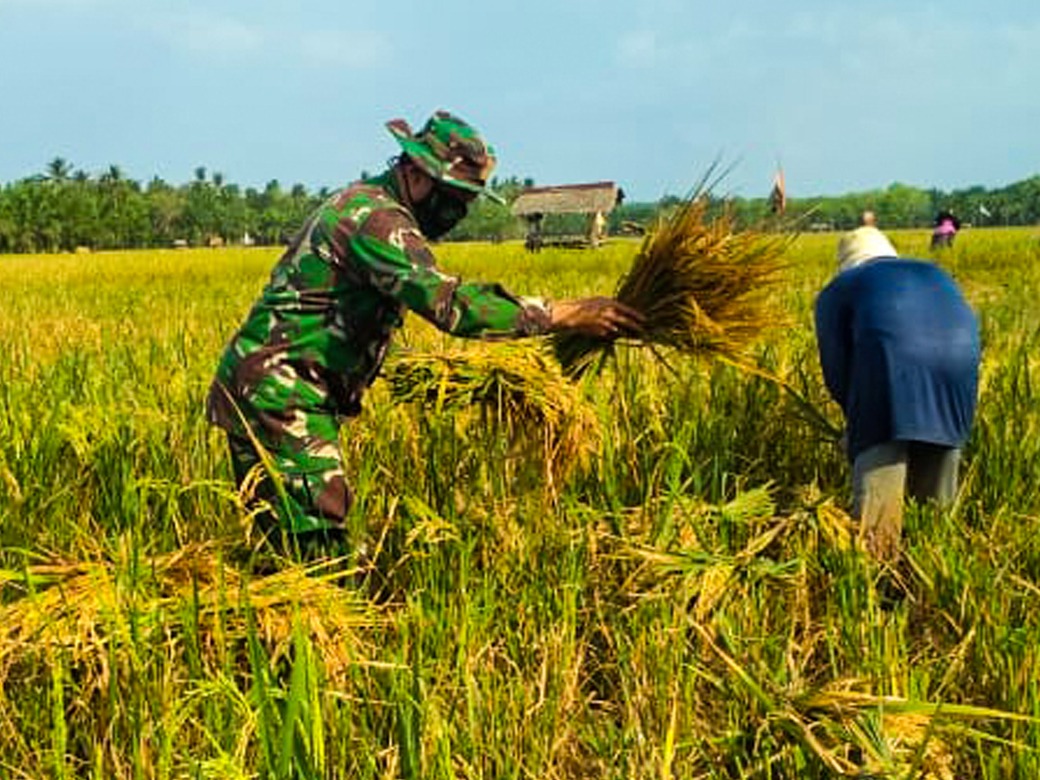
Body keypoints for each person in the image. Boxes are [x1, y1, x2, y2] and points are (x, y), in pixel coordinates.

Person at [206, 110, 642, 559]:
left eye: (466, 201)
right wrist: (561, 314)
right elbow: (450, 304)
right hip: (281, 394)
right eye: (451, 196)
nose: (456, 211)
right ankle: (303, 625)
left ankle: (266, 620)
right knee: (318, 543)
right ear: (414, 173)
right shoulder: (376, 220)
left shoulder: (372, 206)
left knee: (281, 547)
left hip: (271, 387)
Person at [814, 225, 980, 563]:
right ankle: (931, 576)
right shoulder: (934, 272)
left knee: (878, 515)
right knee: (934, 514)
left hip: (889, 380)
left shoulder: (840, 288)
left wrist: (856, 425)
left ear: (847, 263)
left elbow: (836, 366)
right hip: (959, 377)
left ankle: (880, 578)